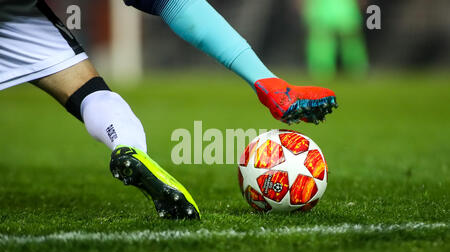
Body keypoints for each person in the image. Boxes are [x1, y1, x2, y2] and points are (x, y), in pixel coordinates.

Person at [0, 0, 337, 220]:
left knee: (89, 90)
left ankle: (128, 150)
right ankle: (126, 147)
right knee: (92, 93)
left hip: (17, 14)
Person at [299, 0, 369, 78]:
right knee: (322, 39)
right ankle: (321, 70)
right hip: (323, 7)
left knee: (350, 38)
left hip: (343, 7)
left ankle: (356, 68)